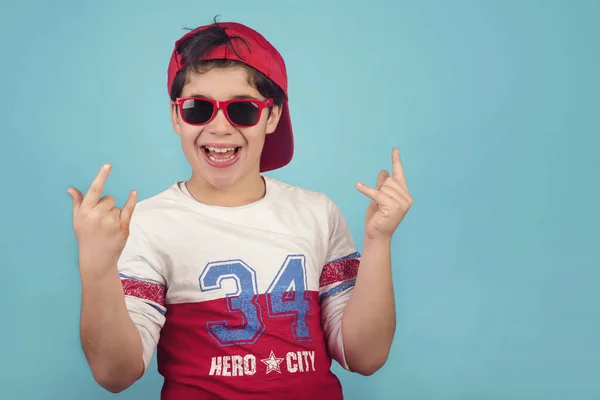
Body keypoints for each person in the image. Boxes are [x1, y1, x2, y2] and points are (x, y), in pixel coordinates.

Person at [67, 19, 413, 400]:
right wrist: (97, 270)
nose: (219, 127)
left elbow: (365, 357)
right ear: (175, 116)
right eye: (198, 109)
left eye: (242, 110)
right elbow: (115, 374)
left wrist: (379, 240)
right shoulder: (147, 225)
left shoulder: (318, 214)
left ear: (272, 116)